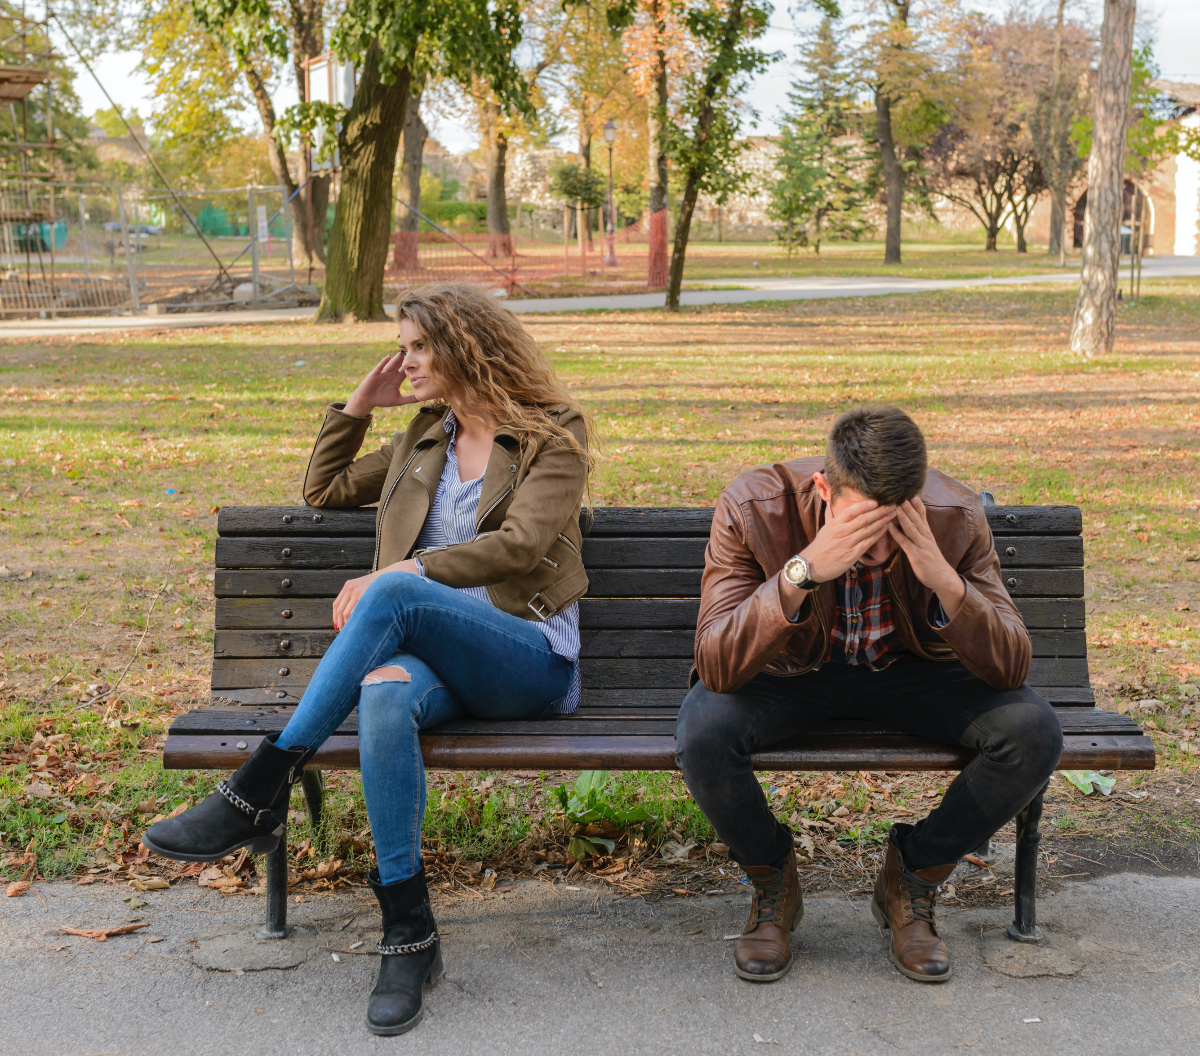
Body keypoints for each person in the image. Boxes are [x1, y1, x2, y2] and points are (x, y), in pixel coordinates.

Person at [144, 283, 592, 1035]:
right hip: (432, 658)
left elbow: (521, 547)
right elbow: (322, 489)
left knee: (394, 593)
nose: (404, 360)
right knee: (383, 695)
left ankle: (261, 783)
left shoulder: (553, 432)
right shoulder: (422, 439)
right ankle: (409, 936)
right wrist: (358, 404)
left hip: (528, 658)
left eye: (418, 346)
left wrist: (403, 572)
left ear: (463, 346)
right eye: (404, 346)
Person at [675, 405, 1062, 985]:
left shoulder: (953, 514)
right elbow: (717, 665)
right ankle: (773, 881)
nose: (874, 550)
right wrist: (801, 573)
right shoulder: (755, 505)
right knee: (702, 731)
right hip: (792, 674)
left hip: (910, 673)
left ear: (917, 501)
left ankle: (914, 876)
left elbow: (1010, 666)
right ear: (824, 489)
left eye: (892, 529)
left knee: (1032, 732)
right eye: (859, 526)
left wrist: (941, 577)